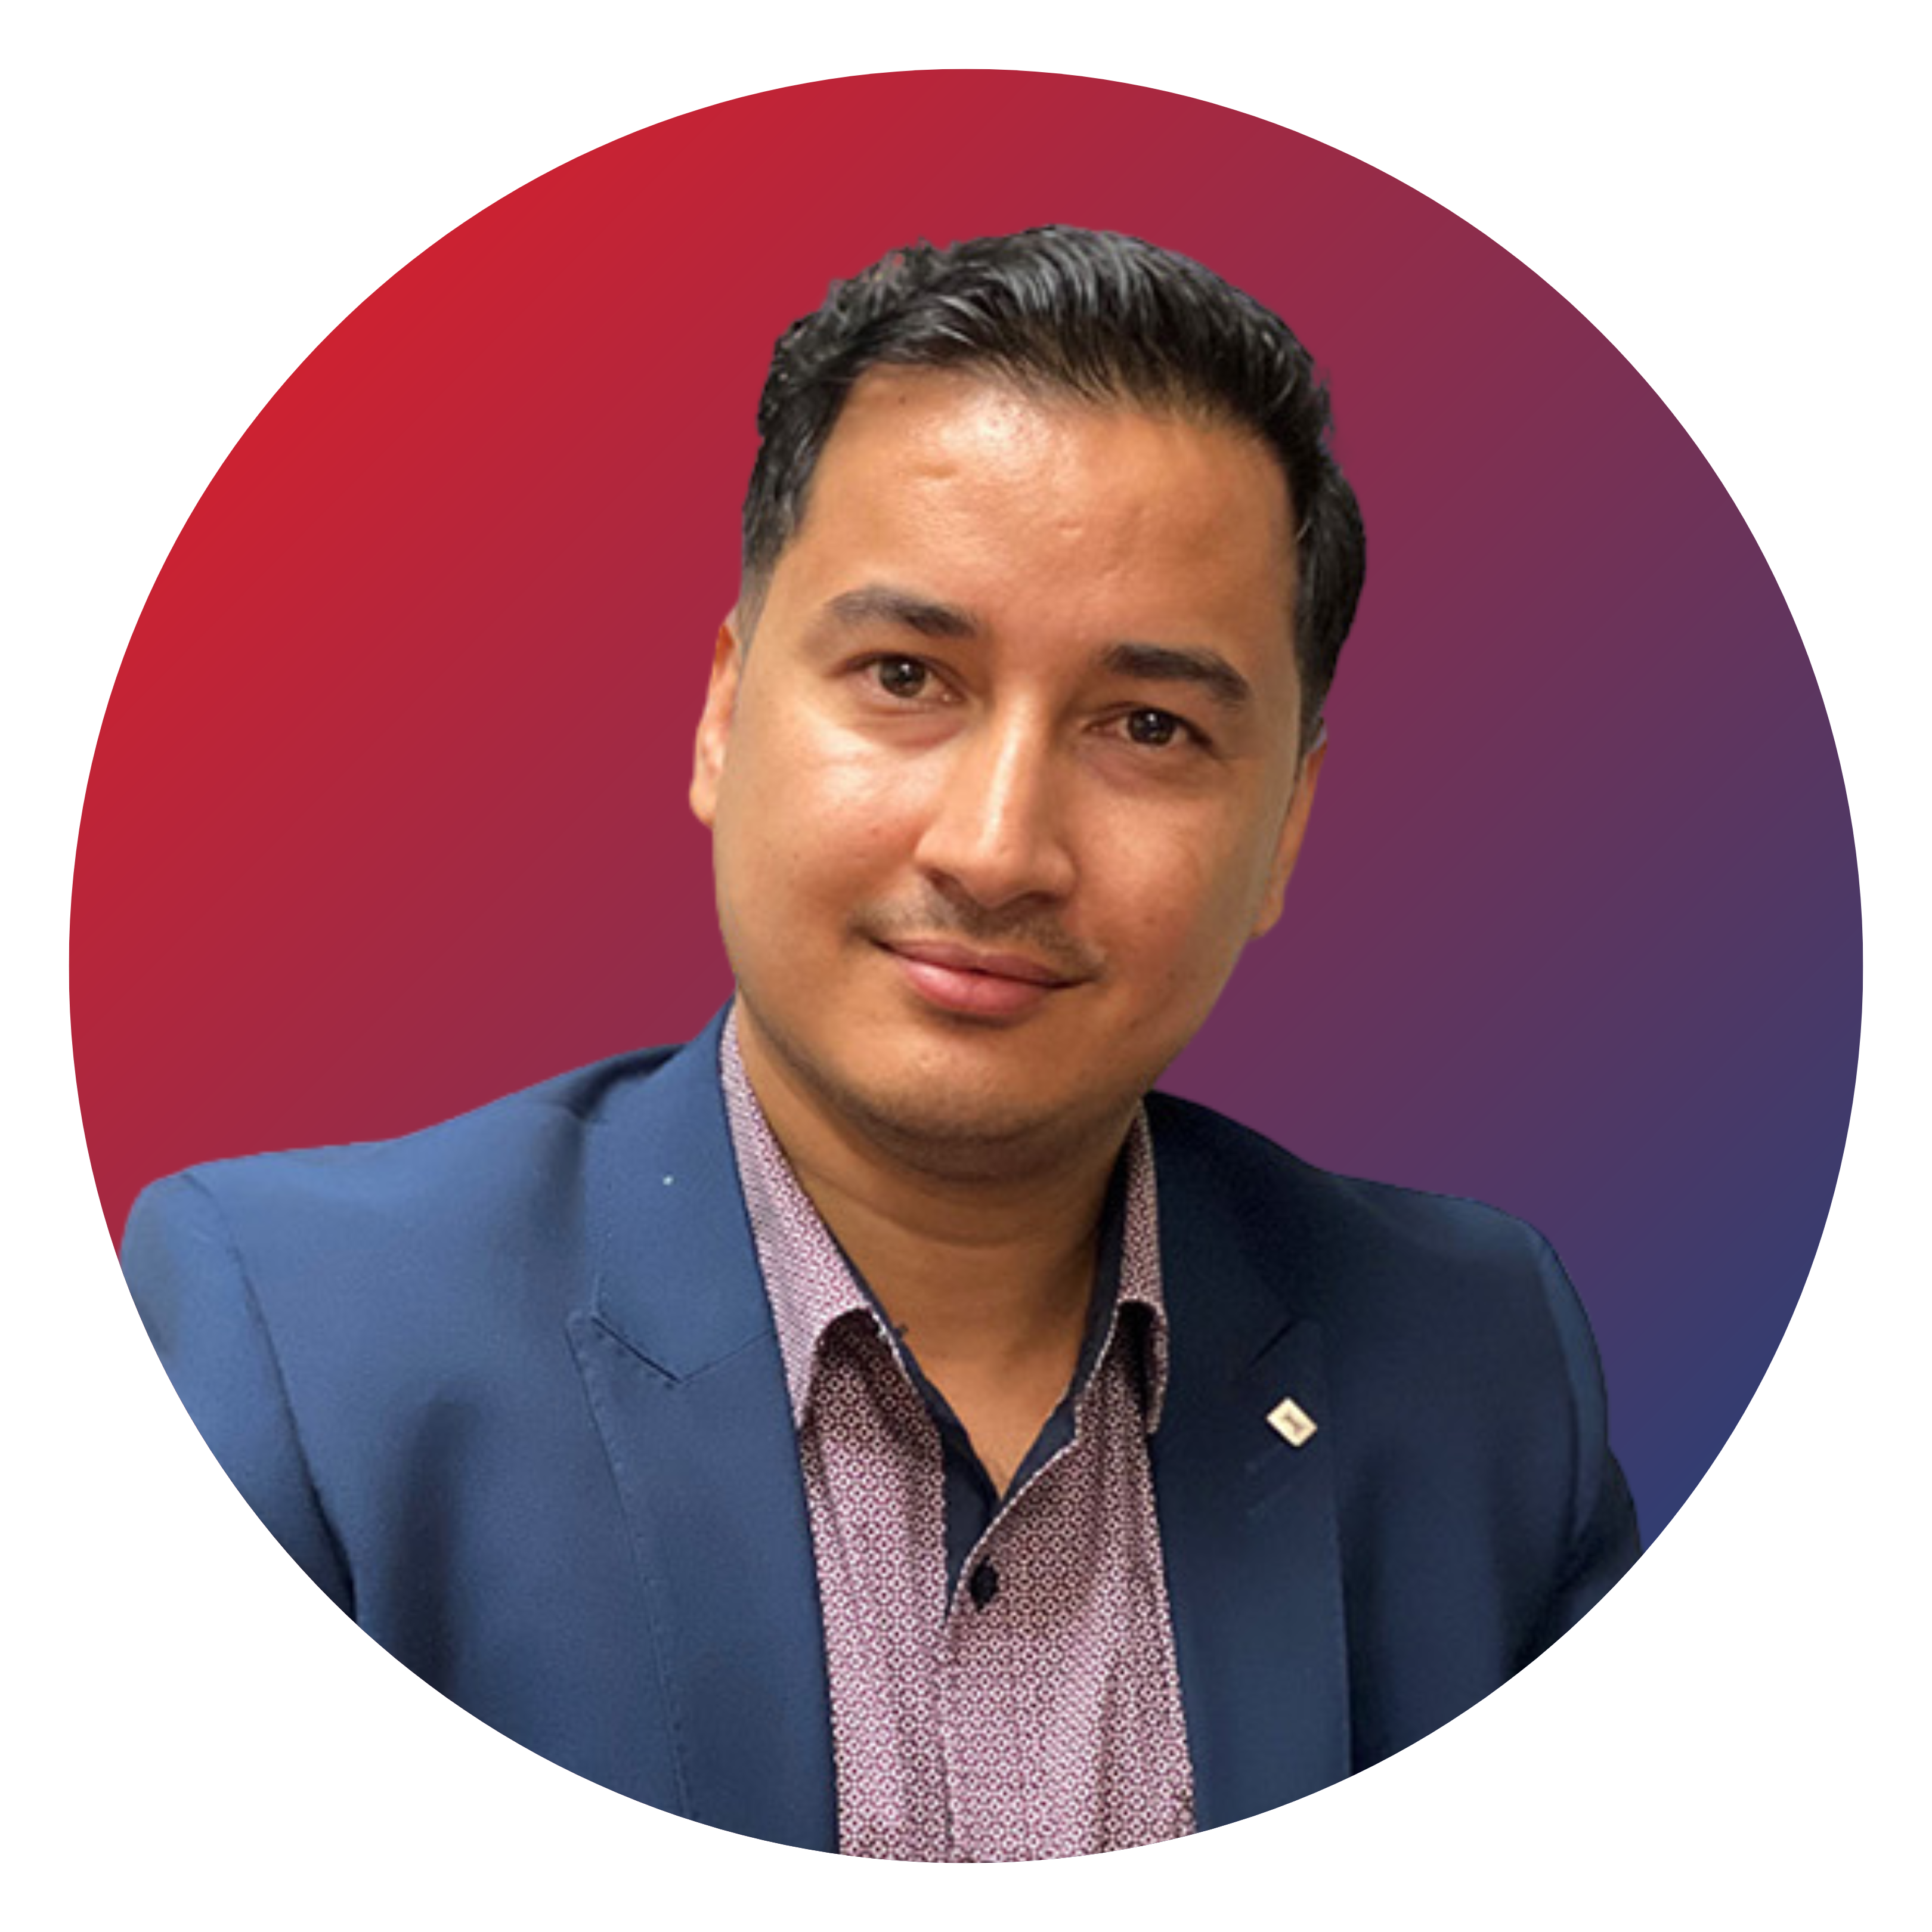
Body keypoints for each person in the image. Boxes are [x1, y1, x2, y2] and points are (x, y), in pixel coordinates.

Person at [120, 227, 1639, 1859]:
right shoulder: (305, 1351)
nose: (996, 849)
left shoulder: (1479, 1365)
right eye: (906, 675)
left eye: (1150, 726)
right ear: (724, 712)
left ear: (1284, 829)